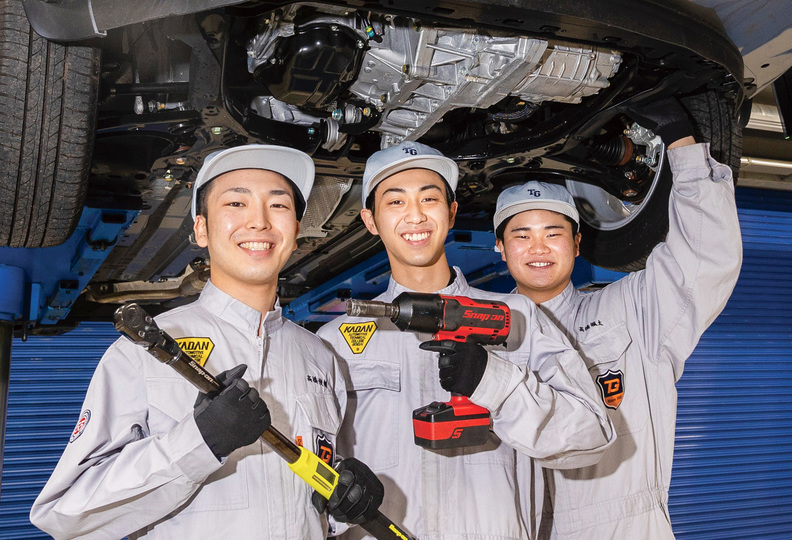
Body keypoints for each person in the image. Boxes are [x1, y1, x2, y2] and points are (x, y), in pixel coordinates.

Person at [30, 145, 384, 540]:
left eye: (278, 206)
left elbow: (313, 502)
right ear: (201, 229)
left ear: (296, 232)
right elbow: (67, 516)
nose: (259, 222)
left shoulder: (321, 357)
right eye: (236, 202)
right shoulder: (143, 351)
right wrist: (200, 441)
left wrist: (344, 504)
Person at [316, 141, 616, 540]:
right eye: (396, 202)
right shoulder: (334, 342)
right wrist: (334, 504)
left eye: (429, 198)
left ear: (452, 211)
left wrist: (495, 381)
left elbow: (590, 436)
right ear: (370, 220)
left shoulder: (519, 317)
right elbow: (311, 469)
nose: (416, 215)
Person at [493, 99, 742, 538]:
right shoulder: (483, 335)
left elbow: (704, 258)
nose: (538, 248)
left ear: (576, 241)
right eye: (522, 235)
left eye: (553, 234)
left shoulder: (630, 311)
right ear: (500, 247)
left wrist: (681, 143)